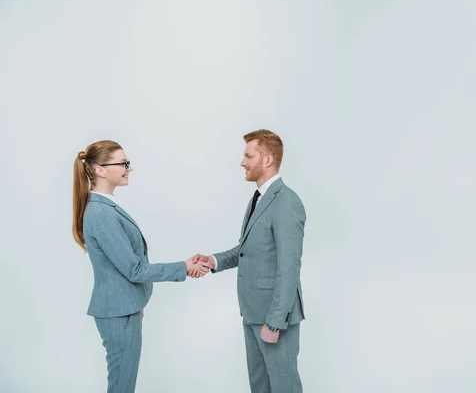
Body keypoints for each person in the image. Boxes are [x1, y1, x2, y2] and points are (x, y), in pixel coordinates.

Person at [72, 140, 209, 393]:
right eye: (123, 163)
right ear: (101, 170)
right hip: (118, 313)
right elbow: (134, 269)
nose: (128, 168)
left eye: (128, 163)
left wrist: (135, 301)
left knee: (123, 382)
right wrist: (184, 267)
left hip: (124, 308)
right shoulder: (101, 213)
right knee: (122, 385)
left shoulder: (106, 206)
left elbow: (123, 269)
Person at [191, 129, 306, 393]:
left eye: (248, 156)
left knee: (284, 386)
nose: (242, 162)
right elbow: (246, 250)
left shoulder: (286, 202)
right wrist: (212, 260)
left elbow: (289, 268)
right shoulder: (258, 199)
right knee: (260, 385)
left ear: (267, 160)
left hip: (274, 316)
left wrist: (275, 322)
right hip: (253, 312)